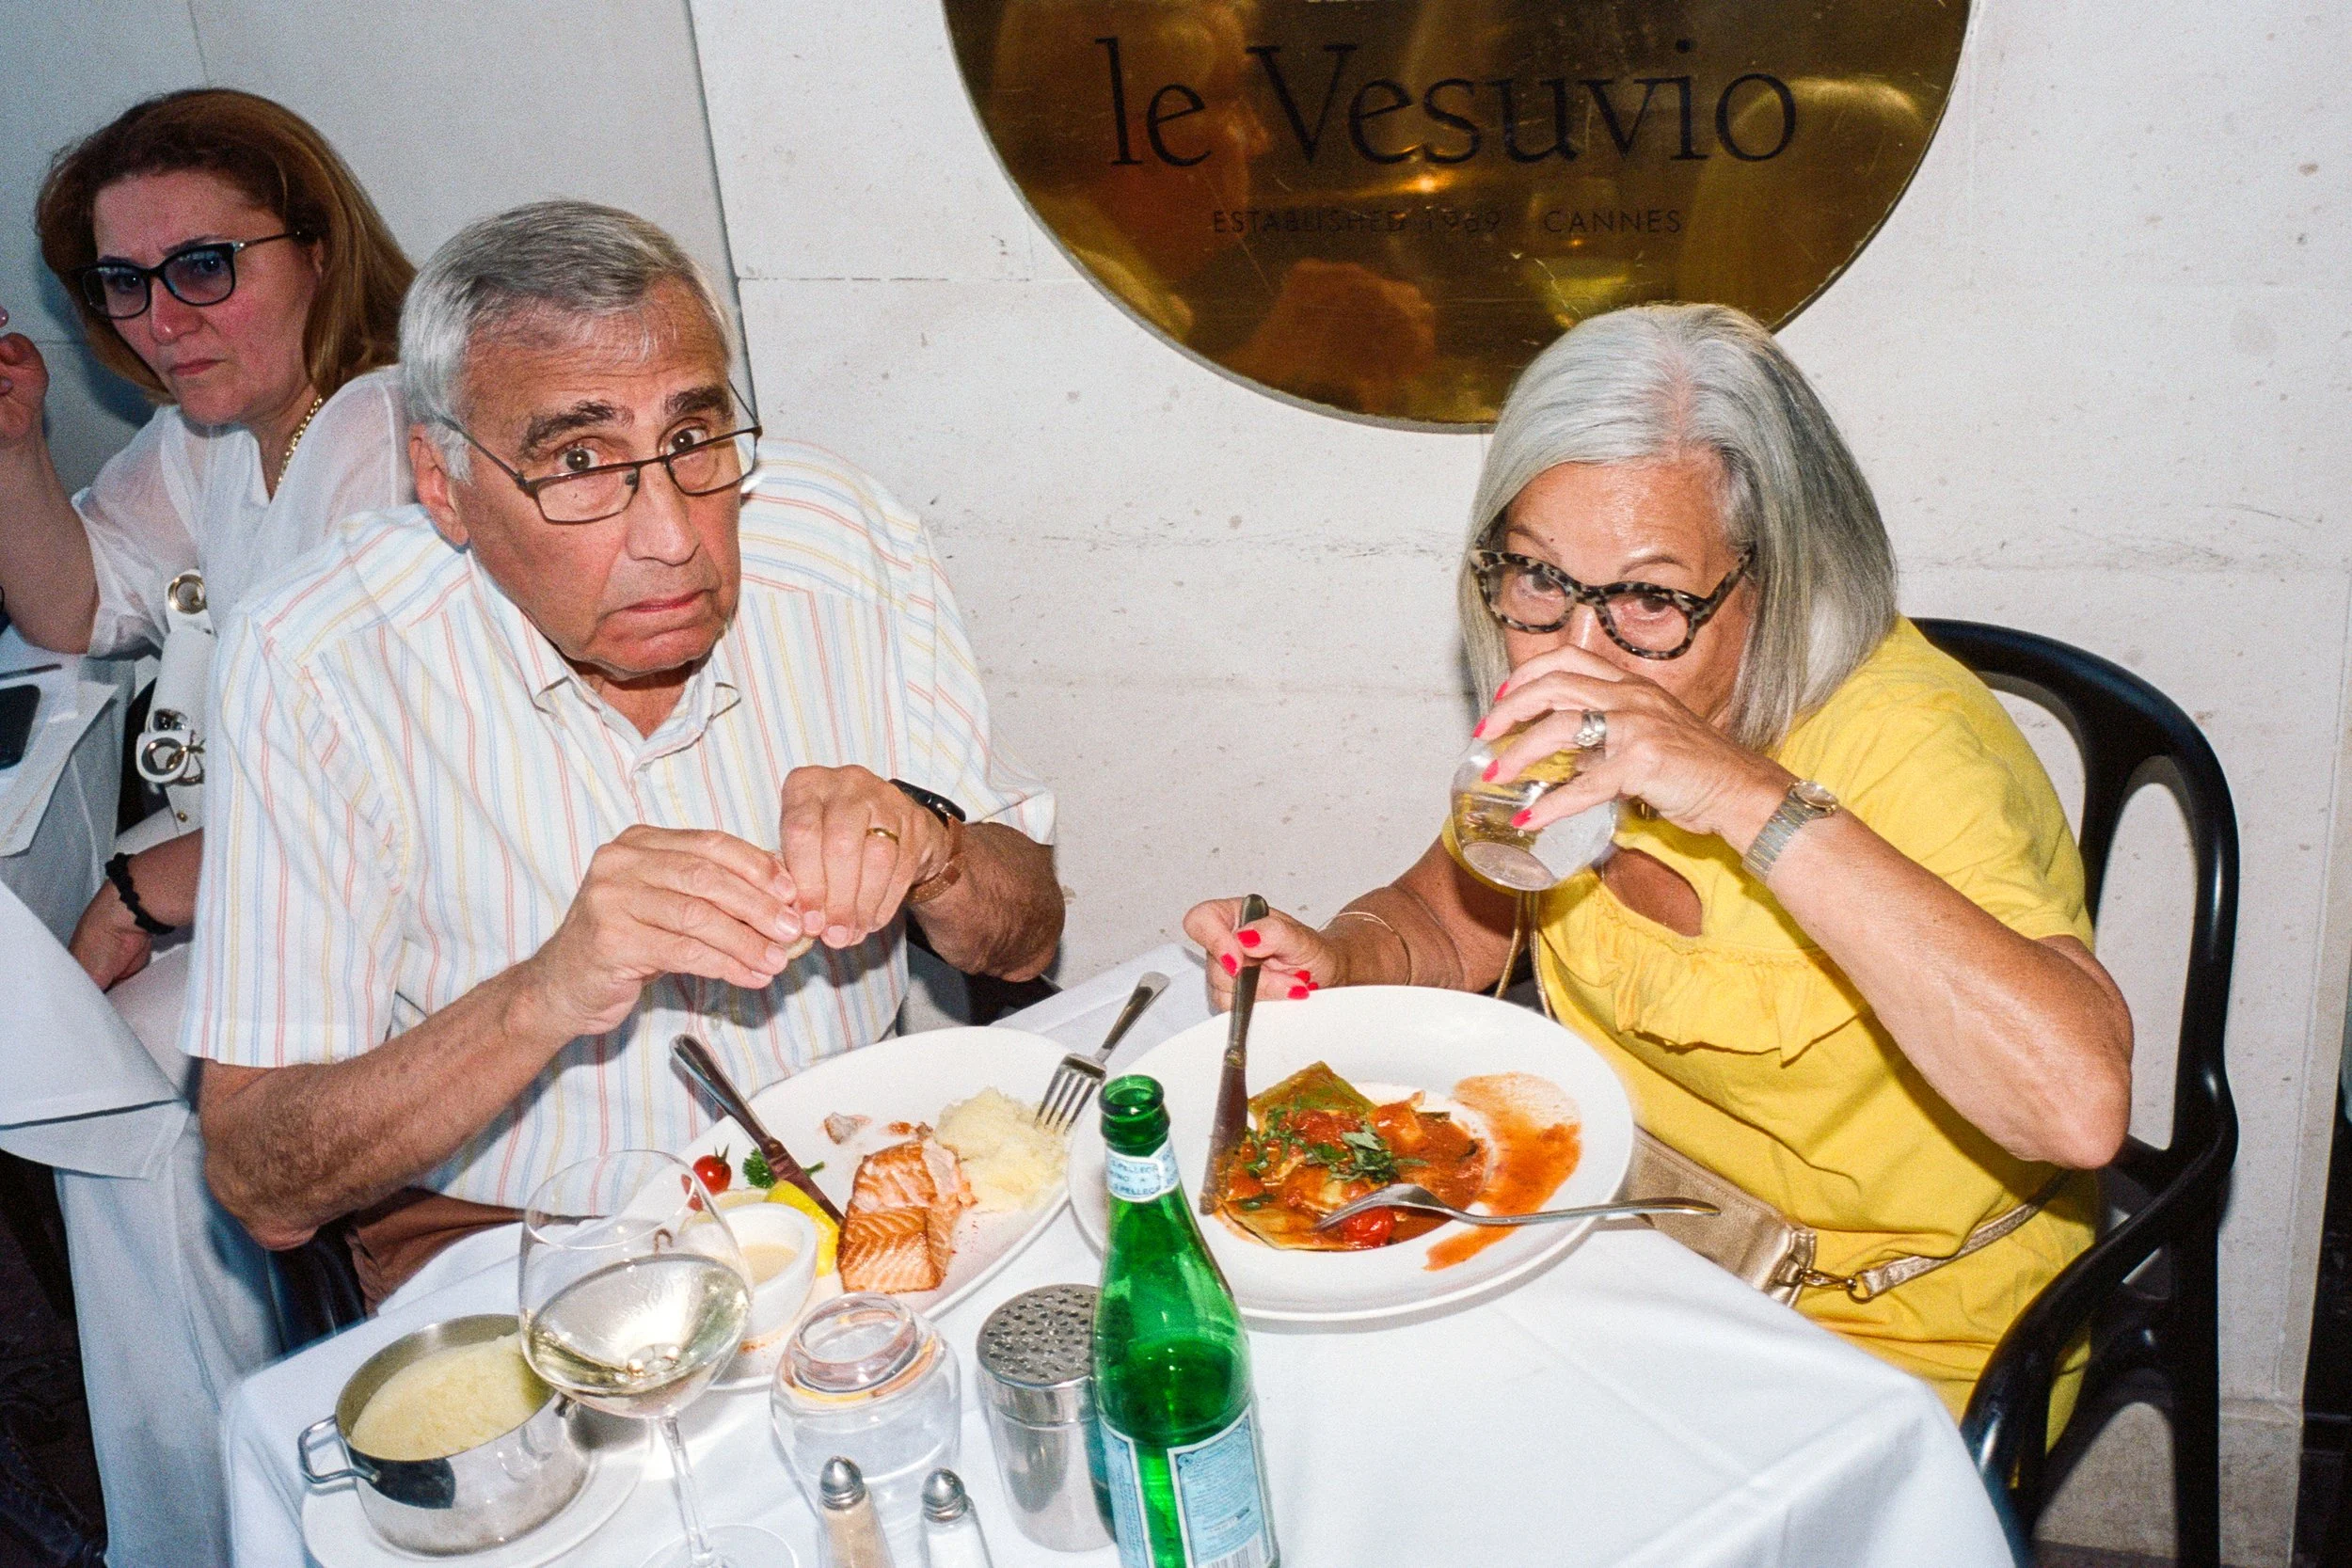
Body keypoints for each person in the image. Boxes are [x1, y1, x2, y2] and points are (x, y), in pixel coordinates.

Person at [1184, 303, 2132, 1420]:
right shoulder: (1547, 704)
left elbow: (2076, 1111)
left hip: (1898, 1327)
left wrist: (1733, 790)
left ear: (1776, 577)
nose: (1580, 653)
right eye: (1537, 577)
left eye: (1647, 597)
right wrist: (1338, 960)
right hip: (1633, 1253)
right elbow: (1445, 921)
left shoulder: (1911, 743)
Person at [186, 201, 1062, 1306]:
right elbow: (260, 1176)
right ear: (444, 486)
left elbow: (1027, 939)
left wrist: (932, 848)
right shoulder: (318, 658)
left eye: (693, 441)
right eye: (581, 460)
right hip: (513, 1241)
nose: (672, 537)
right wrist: (547, 990)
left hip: (860, 1173)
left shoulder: (846, 542)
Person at [0, 87, 413, 989]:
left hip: (386, 927)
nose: (163, 321)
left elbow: (385, 808)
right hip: (263, 864)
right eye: (126, 282)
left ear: (318, 251)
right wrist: (12, 445)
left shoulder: (378, 437)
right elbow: (74, 608)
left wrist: (135, 891)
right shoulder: (216, 430)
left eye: (203, 266)